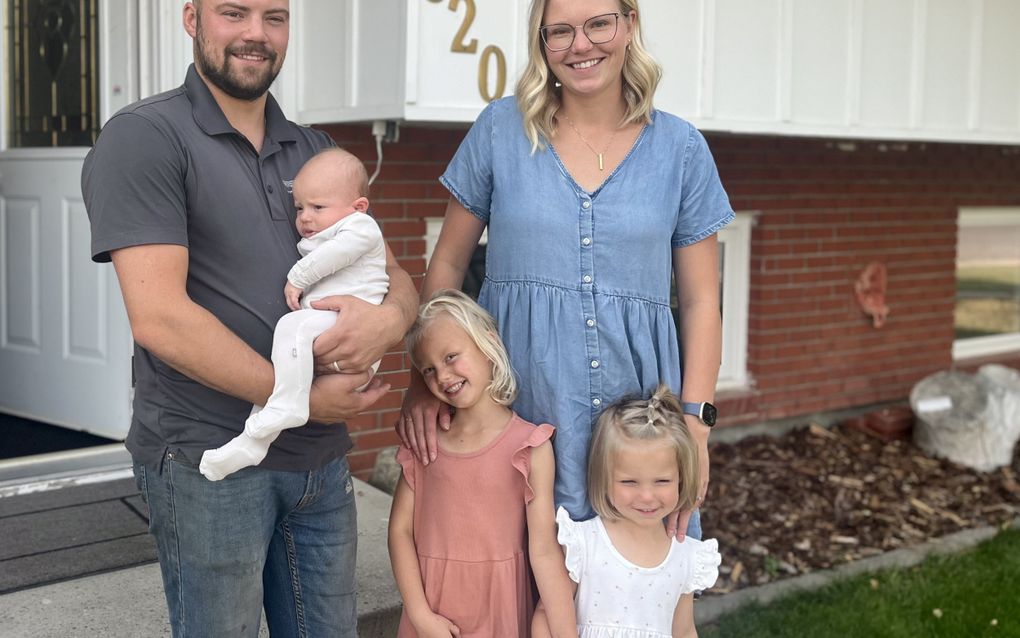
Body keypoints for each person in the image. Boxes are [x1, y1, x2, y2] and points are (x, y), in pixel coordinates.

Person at [82, 1, 417, 635]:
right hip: (208, 457)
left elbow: (391, 271)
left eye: (275, 16)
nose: (256, 34)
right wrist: (299, 398)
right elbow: (159, 318)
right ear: (192, 19)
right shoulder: (145, 137)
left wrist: (391, 320)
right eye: (234, 12)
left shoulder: (314, 148)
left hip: (318, 463)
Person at [399, 0, 733, 537]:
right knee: (521, 597)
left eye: (599, 23)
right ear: (542, 42)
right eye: (560, 31)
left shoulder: (682, 150)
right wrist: (425, 379)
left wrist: (696, 425)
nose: (580, 46)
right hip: (517, 410)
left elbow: (700, 304)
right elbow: (449, 263)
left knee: (634, 603)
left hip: (639, 435)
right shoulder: (498, 131)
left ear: (629, 25)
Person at [388, 290, 577, 637]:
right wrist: (419, 613)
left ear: (488, 345)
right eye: (428, 369)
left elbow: (545, 551)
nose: (442, 376)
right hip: (431, 615)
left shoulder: (529, 446)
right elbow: (399, 531)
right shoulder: (425, 445)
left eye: (451, 357)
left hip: (500, 612)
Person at [199, 148, 389, 481]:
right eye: (299, 207)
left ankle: (284, 410)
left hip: (351, 333)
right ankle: (251, 443)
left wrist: (297, 278)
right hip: (327, 331)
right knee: (283, 382)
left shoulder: (361, 229)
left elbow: (335, 255)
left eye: (318, 207)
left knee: (291, 326)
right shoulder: (329, 231)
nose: (304, 217)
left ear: (357, 207)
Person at [533, 386, 721, 638]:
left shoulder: (686, 557)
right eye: (629, 482)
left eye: (662, 481)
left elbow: (684, 630)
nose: (646, 496)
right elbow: (547, 614)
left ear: (681, 479)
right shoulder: (585, 545)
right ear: (604, 478)